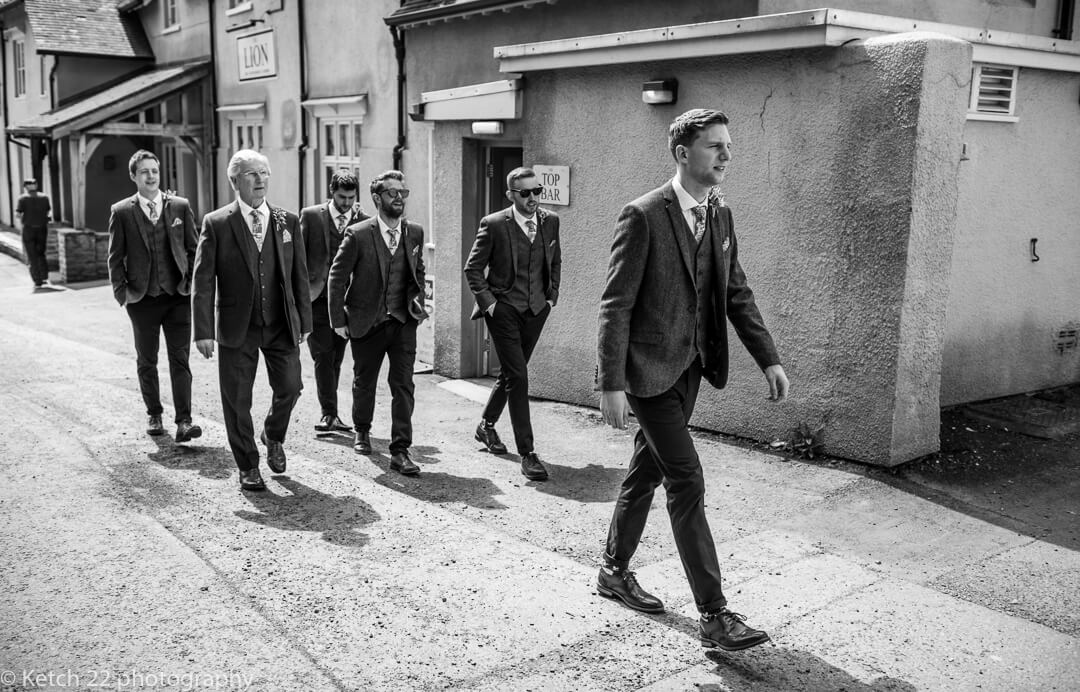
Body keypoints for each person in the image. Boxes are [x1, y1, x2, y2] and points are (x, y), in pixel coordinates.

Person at [596, 108, 789, 652]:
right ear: (683, 153)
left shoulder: (720, 215)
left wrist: (768, 358)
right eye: (714, 147)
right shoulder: (642, 214)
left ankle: (613, 570)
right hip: (647, 374)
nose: (726, 155)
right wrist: (610, 383)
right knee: (687, 479)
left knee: (646, 472)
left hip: (693, 370)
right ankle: (714, 613)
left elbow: (736, 293)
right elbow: (616, 304)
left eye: (728, 146)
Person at [191, 149, 311, 491]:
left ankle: (273, 434)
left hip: (279, 323)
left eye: (264, 173)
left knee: (291, 387)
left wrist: (304, 320)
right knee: (236, 398)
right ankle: (247, 465)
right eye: (251, 174)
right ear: (234, 181)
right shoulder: (216, 223)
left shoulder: (287, 221)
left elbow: (299, 274)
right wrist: (203, 331)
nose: (260, 180)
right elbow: (203, 280)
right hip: (236, 326)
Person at [463, 167, 561, 481]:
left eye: (537, 191)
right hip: (504, 310)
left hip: (535, 310)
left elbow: (555, 259)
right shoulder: (493, 225)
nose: (533, 198)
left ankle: (486, 426)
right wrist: (490, 305)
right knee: (519, 375)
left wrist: (551, 297)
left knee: (510, 372)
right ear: (511, 194)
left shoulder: (550, 221)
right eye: (525, 193)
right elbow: (473, 269)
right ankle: (528, 453)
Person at [328, 170, 427, 476]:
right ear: (376, 198)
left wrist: (417, 299)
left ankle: (400, 450)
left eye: (402, 193)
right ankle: (362, 429)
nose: (399, 198)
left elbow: (418, 269)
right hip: (365, 321)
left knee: (403, 386)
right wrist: (337, 319)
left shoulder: (415, 233)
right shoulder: (358, 234)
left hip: (401, 322)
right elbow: (337, 276)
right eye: (392, 193)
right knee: (364, 381)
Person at [107, 150, 201, 442]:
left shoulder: (180, 207)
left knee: (180, 360)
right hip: (142, 299)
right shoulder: (121, 211)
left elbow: (193, 248)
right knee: (147, 360)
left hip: (177, 297)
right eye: (144, 171)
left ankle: (184, 421)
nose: (151, 176)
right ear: (134, 176)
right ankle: (154, 413)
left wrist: (190, 284)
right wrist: (123, 294)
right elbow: (114, 257)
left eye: (154, 171)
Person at [300, 170, 369, 434]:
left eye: (351, 197)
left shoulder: (364, 221)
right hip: (317, 299)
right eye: (342, 197)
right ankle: (328, 414)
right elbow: (299, 258)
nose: (347, 203)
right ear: (332, 192)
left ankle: (334, 414)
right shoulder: (311, 216)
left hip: (348, 302)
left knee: (337, 358)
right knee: (323, 356)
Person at [16, 177, 52, 287]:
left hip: (29, 228)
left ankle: (37, 280)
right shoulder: (44, 197)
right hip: (42, 228)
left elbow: (18, 214)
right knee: (41, 252)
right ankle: (44, 276)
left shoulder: (22, 199)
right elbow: (48, 212)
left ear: (25, 187)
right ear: (36, 185)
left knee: (32, 255)